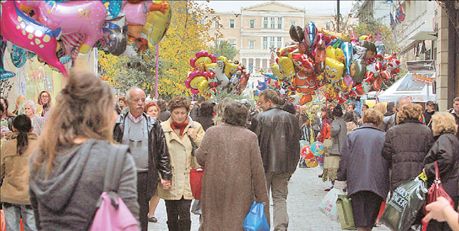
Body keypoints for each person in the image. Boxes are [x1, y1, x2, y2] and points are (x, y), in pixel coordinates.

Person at [29, 71, 139, 230]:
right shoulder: (116, 159)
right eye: (110, 108)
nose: (115, 116)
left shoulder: (41, 157)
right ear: (100, 113)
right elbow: (128, 221)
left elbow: (39, 223)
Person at [196, 101, 270, 231]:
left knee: (213, 221)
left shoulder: (212, 132)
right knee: (236, 221)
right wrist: (262, 200)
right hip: (240, 189)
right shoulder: (250, 137)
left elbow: (201, 158)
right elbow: (257, 170)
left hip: (214, 186)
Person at [113, 87, 172, 231]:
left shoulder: (153, 124)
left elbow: (162, 150)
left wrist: (166, 175)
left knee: (141, 215)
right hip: (122, 176)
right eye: (136, 100)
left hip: (145, 176)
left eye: (142, 100)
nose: (140, 103)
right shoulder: (117, 123)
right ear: (127, 102)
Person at [250, 89, 301, 230]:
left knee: (262, 198)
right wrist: (293, 166)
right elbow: (296, 145)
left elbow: (253, 143)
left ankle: (263, 226)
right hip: (284, 165)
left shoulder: (260, 118)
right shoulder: (292, 119)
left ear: (269, 102)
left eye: (261, 102)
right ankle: (281, 227)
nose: (259, 105)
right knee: (280, 198)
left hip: (263, 165)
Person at [337, 109, 389, 231]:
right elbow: (389, 160)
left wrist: (341, 177)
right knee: (369, 221)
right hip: (377, 183)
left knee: (359, 220)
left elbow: (344, 159)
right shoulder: (385, 137)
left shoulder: (352, 136)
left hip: (356, 182)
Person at [159, 96, 205, 231]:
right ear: (171, 112)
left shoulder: (196, 127)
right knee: (171, 215)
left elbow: (206, 150)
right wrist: (161, 176)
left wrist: (195, 137)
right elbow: (157, 154)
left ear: (187, 112)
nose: (179, 116)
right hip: (169, 178)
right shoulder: (162, 128)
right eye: (176, 113)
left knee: (185, 215)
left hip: (188, 178)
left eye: (183, 113)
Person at [382, 103, 434, 191]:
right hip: (419, 175)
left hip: (398, 173)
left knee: (399, 202)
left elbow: (386, 154)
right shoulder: (426, 131)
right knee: (418, 202)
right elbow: (430, 154)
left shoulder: (392, 131)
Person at [1, 115, 38, 231]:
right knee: (31, 228)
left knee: (11, 228)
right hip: (30, 195)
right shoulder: (39, 145)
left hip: (9, 195)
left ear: (13, 127)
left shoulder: (6, 146)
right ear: (31, 128)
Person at [423, 112, 459, 231]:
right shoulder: (451, 138)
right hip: (451, 186)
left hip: (444, 187)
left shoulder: (444, 139)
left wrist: (428, 169)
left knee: (437, 224)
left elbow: (446, 159)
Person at [323, 105, 347, 184]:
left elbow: (335, 130)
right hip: (342, 146)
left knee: (334, 167)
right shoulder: (343, 121)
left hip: (336, 147)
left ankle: (334, 183)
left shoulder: (336, 121)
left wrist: (331, 129)